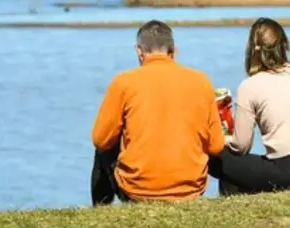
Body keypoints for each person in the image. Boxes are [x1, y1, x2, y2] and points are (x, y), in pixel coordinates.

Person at [90, 20, 225, 205]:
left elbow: (100, 139)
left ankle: (101, 207)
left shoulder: (123, 82)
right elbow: (216, 146)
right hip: (190, 189)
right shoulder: (201, 81)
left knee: (104, 143)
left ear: (139, 51)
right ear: (174, 52)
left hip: (136, 190)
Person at [208, 17, 290, 196]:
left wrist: (219, 138)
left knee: (220, 160)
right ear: (285, 45)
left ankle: (232, 206)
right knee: (250, 167)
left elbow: (241, 147)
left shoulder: (250, 85)